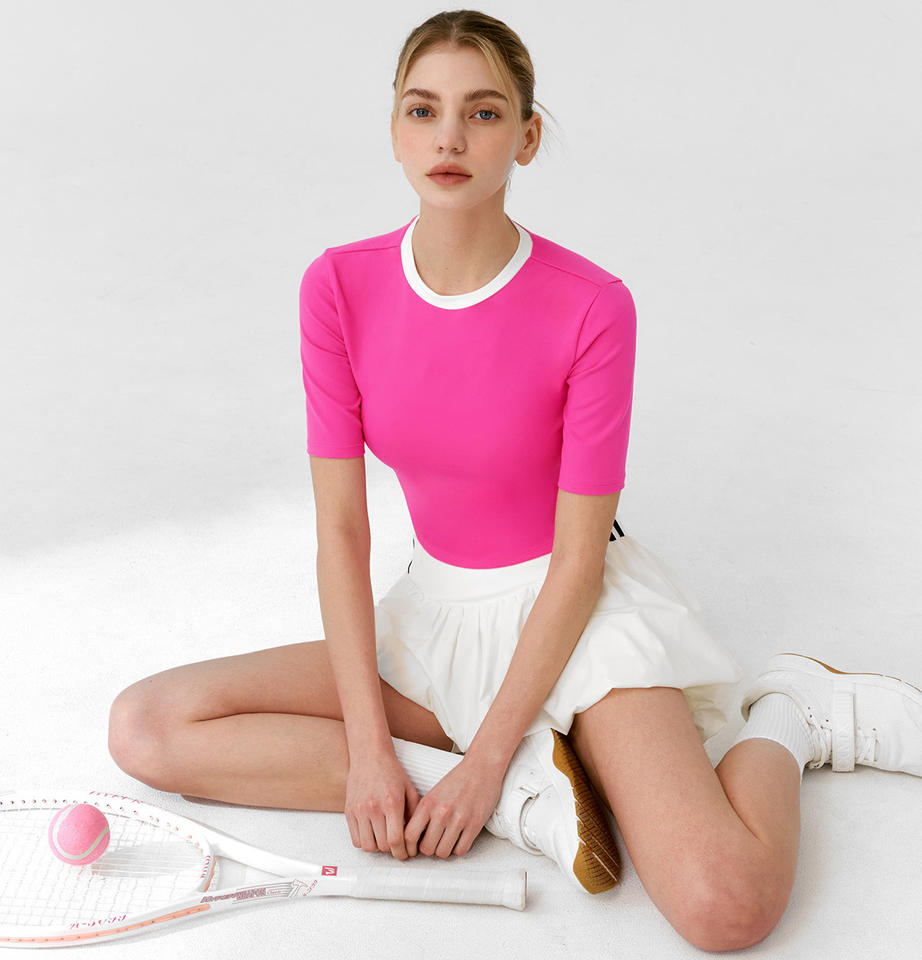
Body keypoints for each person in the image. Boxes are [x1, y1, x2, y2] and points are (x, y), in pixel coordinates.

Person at [106, 10, 922, 952]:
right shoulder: (337, 288)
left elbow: (579, 560)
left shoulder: (592, 306)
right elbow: (342, 532)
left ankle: (794, 712)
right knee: (147, 727)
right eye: (423, 110)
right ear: (395, 130)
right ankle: (526, 792)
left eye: (484, 113)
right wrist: (369, 755)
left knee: (725, 906)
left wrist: (485, 757)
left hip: (578, 615)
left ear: (527, 138)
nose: (449, 138)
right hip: (435, 620)